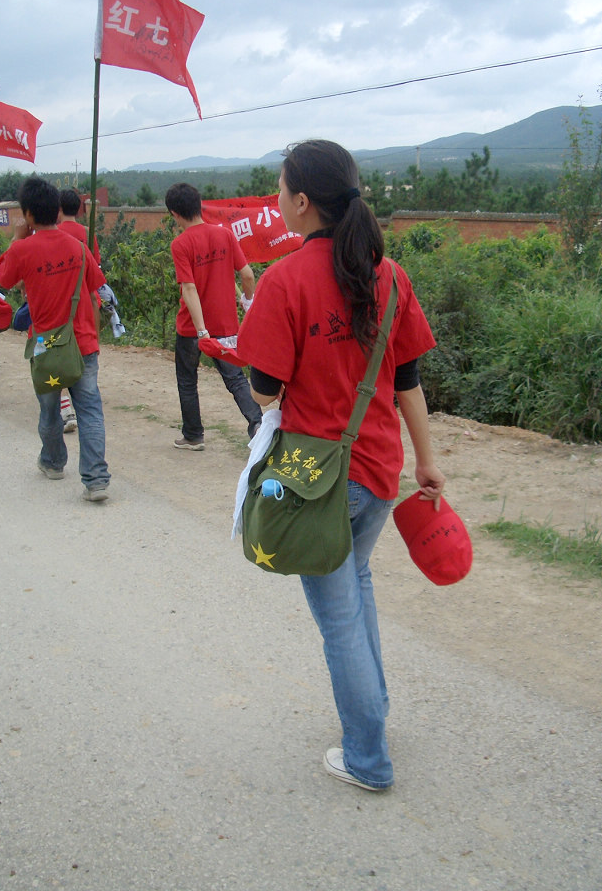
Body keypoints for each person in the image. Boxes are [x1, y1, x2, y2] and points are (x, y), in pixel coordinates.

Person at [236, 139, 446, 792]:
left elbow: (265, 390)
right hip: (381, 470)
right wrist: (428, 464)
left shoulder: (283, 279)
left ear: (301, 202)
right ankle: (373, 715)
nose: (276, 197)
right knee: (355, 586)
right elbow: (407, 378)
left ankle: (368, 757)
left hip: (317, 481)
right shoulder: (390, 275)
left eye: (279, 187)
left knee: (338, 618)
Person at [0, 177, 111, 502]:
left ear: (28, 214)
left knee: (50, 411)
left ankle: (54, 462)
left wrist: (16, 238)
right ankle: (97, 480)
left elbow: (0, 279)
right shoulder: (78, 248)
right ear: (58, 211)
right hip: (84, 343)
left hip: (47, 347)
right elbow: (93, 293)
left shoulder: (21, 249)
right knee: (90, 411)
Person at [166, 182, 262, 450]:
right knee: (235, 379)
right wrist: (248, 301)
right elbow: (247, 274)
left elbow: (188, 287)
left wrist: (200, 331)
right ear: (199, 206)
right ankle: (257, 425)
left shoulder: (181, 244)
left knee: (187, 381)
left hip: (191, 328)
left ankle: (193, 435)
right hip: (226, 324)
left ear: (174, 213)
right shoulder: (226, 235)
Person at [57, 188, 101, 433]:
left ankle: (65, 404)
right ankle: (83, 396)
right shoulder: (87, 233)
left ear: (59, 209)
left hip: (60, 302)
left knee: (59, 353)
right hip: (88, 299)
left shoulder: (53, 234)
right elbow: (96, 266)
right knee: (85, 350)